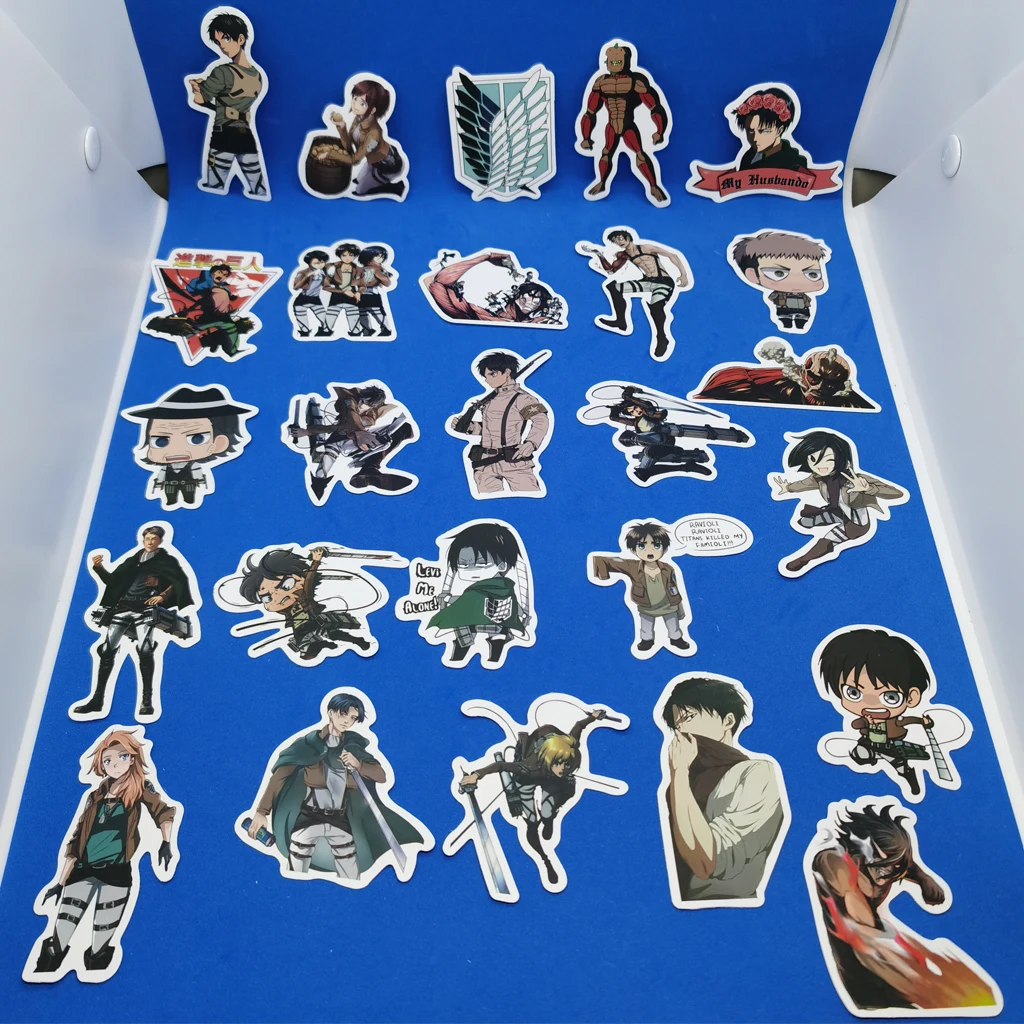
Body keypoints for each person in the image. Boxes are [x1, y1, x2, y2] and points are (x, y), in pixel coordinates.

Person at [810, 802, 999, 1012]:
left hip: (877, 947)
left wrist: (924, 881)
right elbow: (859, 927)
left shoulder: (896, 861)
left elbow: (908, 866)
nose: (888, 873)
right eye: (882, 866)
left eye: (894, 865)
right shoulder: (834, 862)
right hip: (852, 953)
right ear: (860, 852)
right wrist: (917, 976)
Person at [29, 730, 177, 978]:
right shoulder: (94, 796)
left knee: (101, 940)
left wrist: (166, 842)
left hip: (117, 875)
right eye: (108, 760)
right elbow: (75, 841)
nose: (115, 764)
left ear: (132, 758)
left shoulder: (140, 788)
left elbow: (164, 812)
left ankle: (95, 980)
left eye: (121, 757)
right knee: (60, 935)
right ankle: (44, 974)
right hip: (82, 872)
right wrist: (60, 882)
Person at [245, 693, 426, 882]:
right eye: (343, 714)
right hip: (309, 816)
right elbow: (280, 776)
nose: (347, 721)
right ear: (331, 712)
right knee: (296, 868)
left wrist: (358, 764)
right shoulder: (309, 744)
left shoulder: (353, 746)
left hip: (340, 818)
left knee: (351, 872)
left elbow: (381, 776)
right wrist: (261, 812)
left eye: (353, 718)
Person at [660, 676, 785, 904]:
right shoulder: (682, 783)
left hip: (728, 907)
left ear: (728, 721)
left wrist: (680, 772)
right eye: (677, 724)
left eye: (689, 717)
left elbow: (707, 861)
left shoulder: (755, 773)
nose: (681, 729)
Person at [460, 709, 608, 886]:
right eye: (559, 763)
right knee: (531, 821)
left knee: (547, 810)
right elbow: (501, 766)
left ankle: (548, 819)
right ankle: (545, 860)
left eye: (566, 764)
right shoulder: (527, 767)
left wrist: (593, 716)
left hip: (549, 777)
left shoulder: (569, 746)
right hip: (528, 779)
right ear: (549, 759)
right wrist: (476, 775)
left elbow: (579, 726)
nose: (563, 768)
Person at [74, 526, 195, 719]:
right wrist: (98, 568)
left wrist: (162, 596)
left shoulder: (167, 561)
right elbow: (113, 581)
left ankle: (147, 702)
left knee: (145, 651)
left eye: (154, 539)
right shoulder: (132, 561)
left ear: (159, 541)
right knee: (106, 650)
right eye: (148, 538)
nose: (150, 542)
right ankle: (97, 700)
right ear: (143, 539)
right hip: (123, 607)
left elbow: (178, 581)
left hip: (145, 611)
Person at [818, 628, 936, 796]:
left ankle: (908, 774)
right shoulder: (867, 719)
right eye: (853, 693)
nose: (870, 704)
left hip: (889, 744)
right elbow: (856, 724)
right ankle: (870, 756)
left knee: (897, 762)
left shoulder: (892, 721)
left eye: (890, 696)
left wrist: (922, 721)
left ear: (911, 697)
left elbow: (906, 720)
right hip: (869, 742)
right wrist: (862, 723)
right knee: (860, 753)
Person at [772, 431, 905, 574]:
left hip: (856, 524)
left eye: (829, 460)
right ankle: (819, 520)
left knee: (827, 541)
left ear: (842, 460)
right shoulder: (820, 478)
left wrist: (868, 488)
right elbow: (804, 484)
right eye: (813, 458)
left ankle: (804, 559)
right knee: (804, 522)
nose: (820, 465)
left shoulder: (856, 480)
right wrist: (788, 488)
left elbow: (897, 493)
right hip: (837, 511)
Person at [122, 385, 253, 507]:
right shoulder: (166, 469)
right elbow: (160, 476)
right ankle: (171, 500)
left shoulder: (195, 467)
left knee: (189, 495)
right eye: (161, 441)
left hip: (190, 484)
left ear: (219, 443)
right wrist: (156, 486)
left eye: (196, 439)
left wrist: (202, 482)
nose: (175, 449)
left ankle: (188, 499)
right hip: (169, 485)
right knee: (170, 496)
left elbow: (198, 474)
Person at [238, 547, 373, 659]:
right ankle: (325, 644)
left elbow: (308, 581)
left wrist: (315, 561)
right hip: (301, 627)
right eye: (267, 598)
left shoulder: (304, 596)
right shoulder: (286, 610)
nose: (278, 596)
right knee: (309, 646)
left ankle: (354, 641)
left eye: (286, 585)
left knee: (326, 633)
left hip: (312, 620)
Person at [188, 10, 267, 198]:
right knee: (257, 186)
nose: (222, 46)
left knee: (214, 186)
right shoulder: (257, 76)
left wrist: (197, 89)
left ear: (241, 39)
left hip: (223, 134)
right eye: (219, 42)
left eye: (226, 38)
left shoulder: (222, 72)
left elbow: (200, 100)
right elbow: (236, 100)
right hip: (245, 134)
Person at [449, 351, 551, 495]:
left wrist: (531, 443)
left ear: (507, 372)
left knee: (530, 496)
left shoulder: (522, 398)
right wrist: (470, 427)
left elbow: (541, 420)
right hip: (485, 464)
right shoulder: (489, 401)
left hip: (514, 461)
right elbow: (489, 428)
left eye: (493, 374)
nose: (487, 380)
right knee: (486, 503)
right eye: (486, 376)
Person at [578, 43, 669, 203]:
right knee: (606, 153)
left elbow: (655, 107)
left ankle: (653, 186)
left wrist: (660, 131)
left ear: (627, 60)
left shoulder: (636, 81)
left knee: (640, 154)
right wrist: (586, 137)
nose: (615, 58)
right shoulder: (601, 82)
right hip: (611, 126)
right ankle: (602, 183)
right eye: (611, 56)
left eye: (619, 55)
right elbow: (590, 111)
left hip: (628, 126)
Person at [577, 228, 689, 358]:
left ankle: (662, 338)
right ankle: (620, 321)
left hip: (664, 282)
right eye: (615, 241)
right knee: (613, 287)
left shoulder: (646, 247)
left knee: (655, 307)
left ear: (628, 237)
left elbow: (672, 255)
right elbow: (611, 270)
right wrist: (598, 254)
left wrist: (683, 274)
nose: (619, 242)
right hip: (647, 281)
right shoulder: (624, 255)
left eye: (620, 238)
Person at [289, 384, 415, 499]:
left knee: (404, 429)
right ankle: (367, 467)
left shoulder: (373, 412)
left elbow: (365, 422)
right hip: (339, 443)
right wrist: (308, 431)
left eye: (366, 404)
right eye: (362, 402)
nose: (362, 406)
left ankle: (369, 468)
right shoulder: (350, 401)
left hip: (359, 441)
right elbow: (347, 418)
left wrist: (371, 434)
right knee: (321, 476)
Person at [428, 522, 529, 664]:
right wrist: (522, 614)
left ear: (502, 566)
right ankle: (489, 652)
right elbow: (514, 605)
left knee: (464, 624)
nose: (471, 570)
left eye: (481, 564)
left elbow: (465, 601)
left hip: (486, 621)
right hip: (494, 623)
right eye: (463, 565)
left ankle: (463, 654)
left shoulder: (482, 590)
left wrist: (448, 598)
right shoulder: (505, 587)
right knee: (490, 630)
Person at [590, 521, 690, 653]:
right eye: (642, 546)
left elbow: (675, 588)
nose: (650, 551)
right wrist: (603, 575)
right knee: (646, 625)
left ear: (664, 548)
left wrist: (680, 608)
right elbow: (607, 561)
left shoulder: (668, 568)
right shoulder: (632, 566)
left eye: (656, 545)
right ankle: (647, 640)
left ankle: (676, 639)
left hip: (668, 605)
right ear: (634, 549)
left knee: (673, 624)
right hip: (646, 605)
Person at [694, 342, 874, 409]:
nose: (819, 387)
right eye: (815, 378)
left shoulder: (851, 402)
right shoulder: (757, 382)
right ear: (803, 372)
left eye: (830, 384)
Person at [424, 251, 562, 325]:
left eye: (538, 299)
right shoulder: (477, 313)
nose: (532, 300)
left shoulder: (536, 322)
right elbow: (438, 284)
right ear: (518, 293)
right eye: (530, 294)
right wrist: (484, 257)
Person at [730, 231, 829, 331]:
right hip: (784, 308)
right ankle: (787, 324)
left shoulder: (803, 296)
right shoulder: (753, 306)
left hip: (802, 309)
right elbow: (772, 298)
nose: (796, 281)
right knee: (785, 318)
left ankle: (800, 324)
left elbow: (808, 300)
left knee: (802, 319)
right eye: (778, 273)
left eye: (812, 274)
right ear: (753, 275)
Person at [328, 78, 407, 198]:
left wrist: (331, 154)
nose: (354, 104)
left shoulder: (374, 134)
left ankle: (395, 187)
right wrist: (342, 127)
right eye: (355, 98)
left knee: (360, 191)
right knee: (358, 179)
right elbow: (349, 147)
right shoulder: (359, 119)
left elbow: (354, 159)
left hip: (389, 166)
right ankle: (372, 178)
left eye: (362, 103)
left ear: (373, 109)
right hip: (373, 159)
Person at [733, 88, 806, 172]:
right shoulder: (748, 157)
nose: (755, 138)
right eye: (751, 131)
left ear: (779, 130)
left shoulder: (794, 163)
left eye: (764, 131)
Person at [323, 243, 363, 336]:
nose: (347, 258)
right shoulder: (332, 267)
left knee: (355, 330)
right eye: (344, 255)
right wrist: (343, 291)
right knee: (326, 328)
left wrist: (359, 292)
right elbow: (325, 286)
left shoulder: (358, 269)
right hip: (336, 297)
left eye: (351, 255)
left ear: (355, 256)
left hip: (352, 298)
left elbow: (362, 285)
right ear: (339, 255)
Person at [354, 245, 394, 337]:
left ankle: (384, 329)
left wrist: (382, 276)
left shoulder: (377, 269)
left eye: (382, 257)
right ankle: (369, 330)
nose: (380, 259)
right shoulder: (370, 268)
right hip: (363, 293)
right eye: (378, 256)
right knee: (363, 312)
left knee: (373, 312)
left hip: (370, 293)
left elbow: (387, 283)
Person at [291, 250, 331, 337]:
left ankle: (320, 336)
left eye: (322, 262)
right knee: (304, 329)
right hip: (302, 300)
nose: (320, 265)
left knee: (326, 324)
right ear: (309, 263)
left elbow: (326, 286)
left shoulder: (323, 272)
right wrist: (306, 277)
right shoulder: (302, 272)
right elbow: (295, 287)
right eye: (316, 263)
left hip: (315, 299)